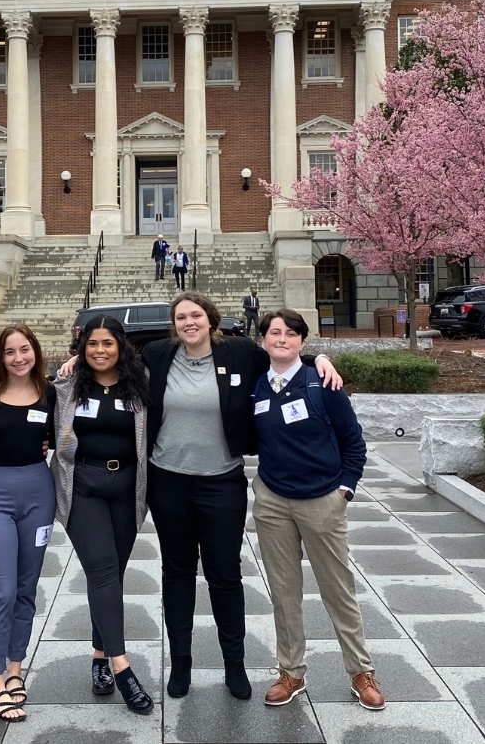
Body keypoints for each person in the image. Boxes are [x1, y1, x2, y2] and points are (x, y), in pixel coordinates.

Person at [141, 293, 340, 701]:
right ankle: (181, 665)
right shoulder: (158, 354)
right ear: (173, 324)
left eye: (195, 315)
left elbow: (282, 351)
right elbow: (109, 365)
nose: (188, 322)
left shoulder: (238, 352)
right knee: (177, 574)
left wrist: (319, 358)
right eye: (181, 317)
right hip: (169, 482)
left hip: (221, 482)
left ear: (210, 319)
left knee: (225, 576)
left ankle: (235, 666)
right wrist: (72, 365)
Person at [249, 308, 383, 712]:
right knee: (284, 591)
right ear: (264, 341)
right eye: (274, 333)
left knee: (337, 589)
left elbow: (352, 441)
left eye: (291, 334)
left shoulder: (322, 382)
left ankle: (360, 671)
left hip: (322, 498)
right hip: (272, 500)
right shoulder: (257, 386)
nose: (282, 339)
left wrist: (344, 489)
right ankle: (291, 672)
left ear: (303, 342)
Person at [50, 316, 156, 714]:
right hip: (84, 486)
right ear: (82, 347)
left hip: (128, 488)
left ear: (121, 346)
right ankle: (121, 666)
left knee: (112, 573)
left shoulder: (141, 380)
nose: (99, 350)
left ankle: (98, 655)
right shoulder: (68, 384)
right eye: (91, 343)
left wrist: (316, 360)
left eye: (107, 343)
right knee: (103, 570)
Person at [0, 323, 56, 723]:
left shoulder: (51, 393)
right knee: (1, 590)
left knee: (26, 587)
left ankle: (16, 668)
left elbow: (66, 434)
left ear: (35, 352)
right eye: (10, 352)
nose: (19, 358)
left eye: (25, 350)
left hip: (39, 493)